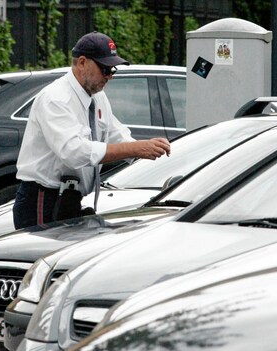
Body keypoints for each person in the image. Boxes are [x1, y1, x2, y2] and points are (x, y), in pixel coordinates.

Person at [13, 31, 171, 229]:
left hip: (69, 199)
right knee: (40, 258)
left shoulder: (97, 97)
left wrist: (156, 158)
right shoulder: (56, 98)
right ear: (81, 63)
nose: (109, 76)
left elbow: (117, 134)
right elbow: (74, 152)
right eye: (104, 68)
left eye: (112, 70)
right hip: (42, 199)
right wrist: (136, 149)